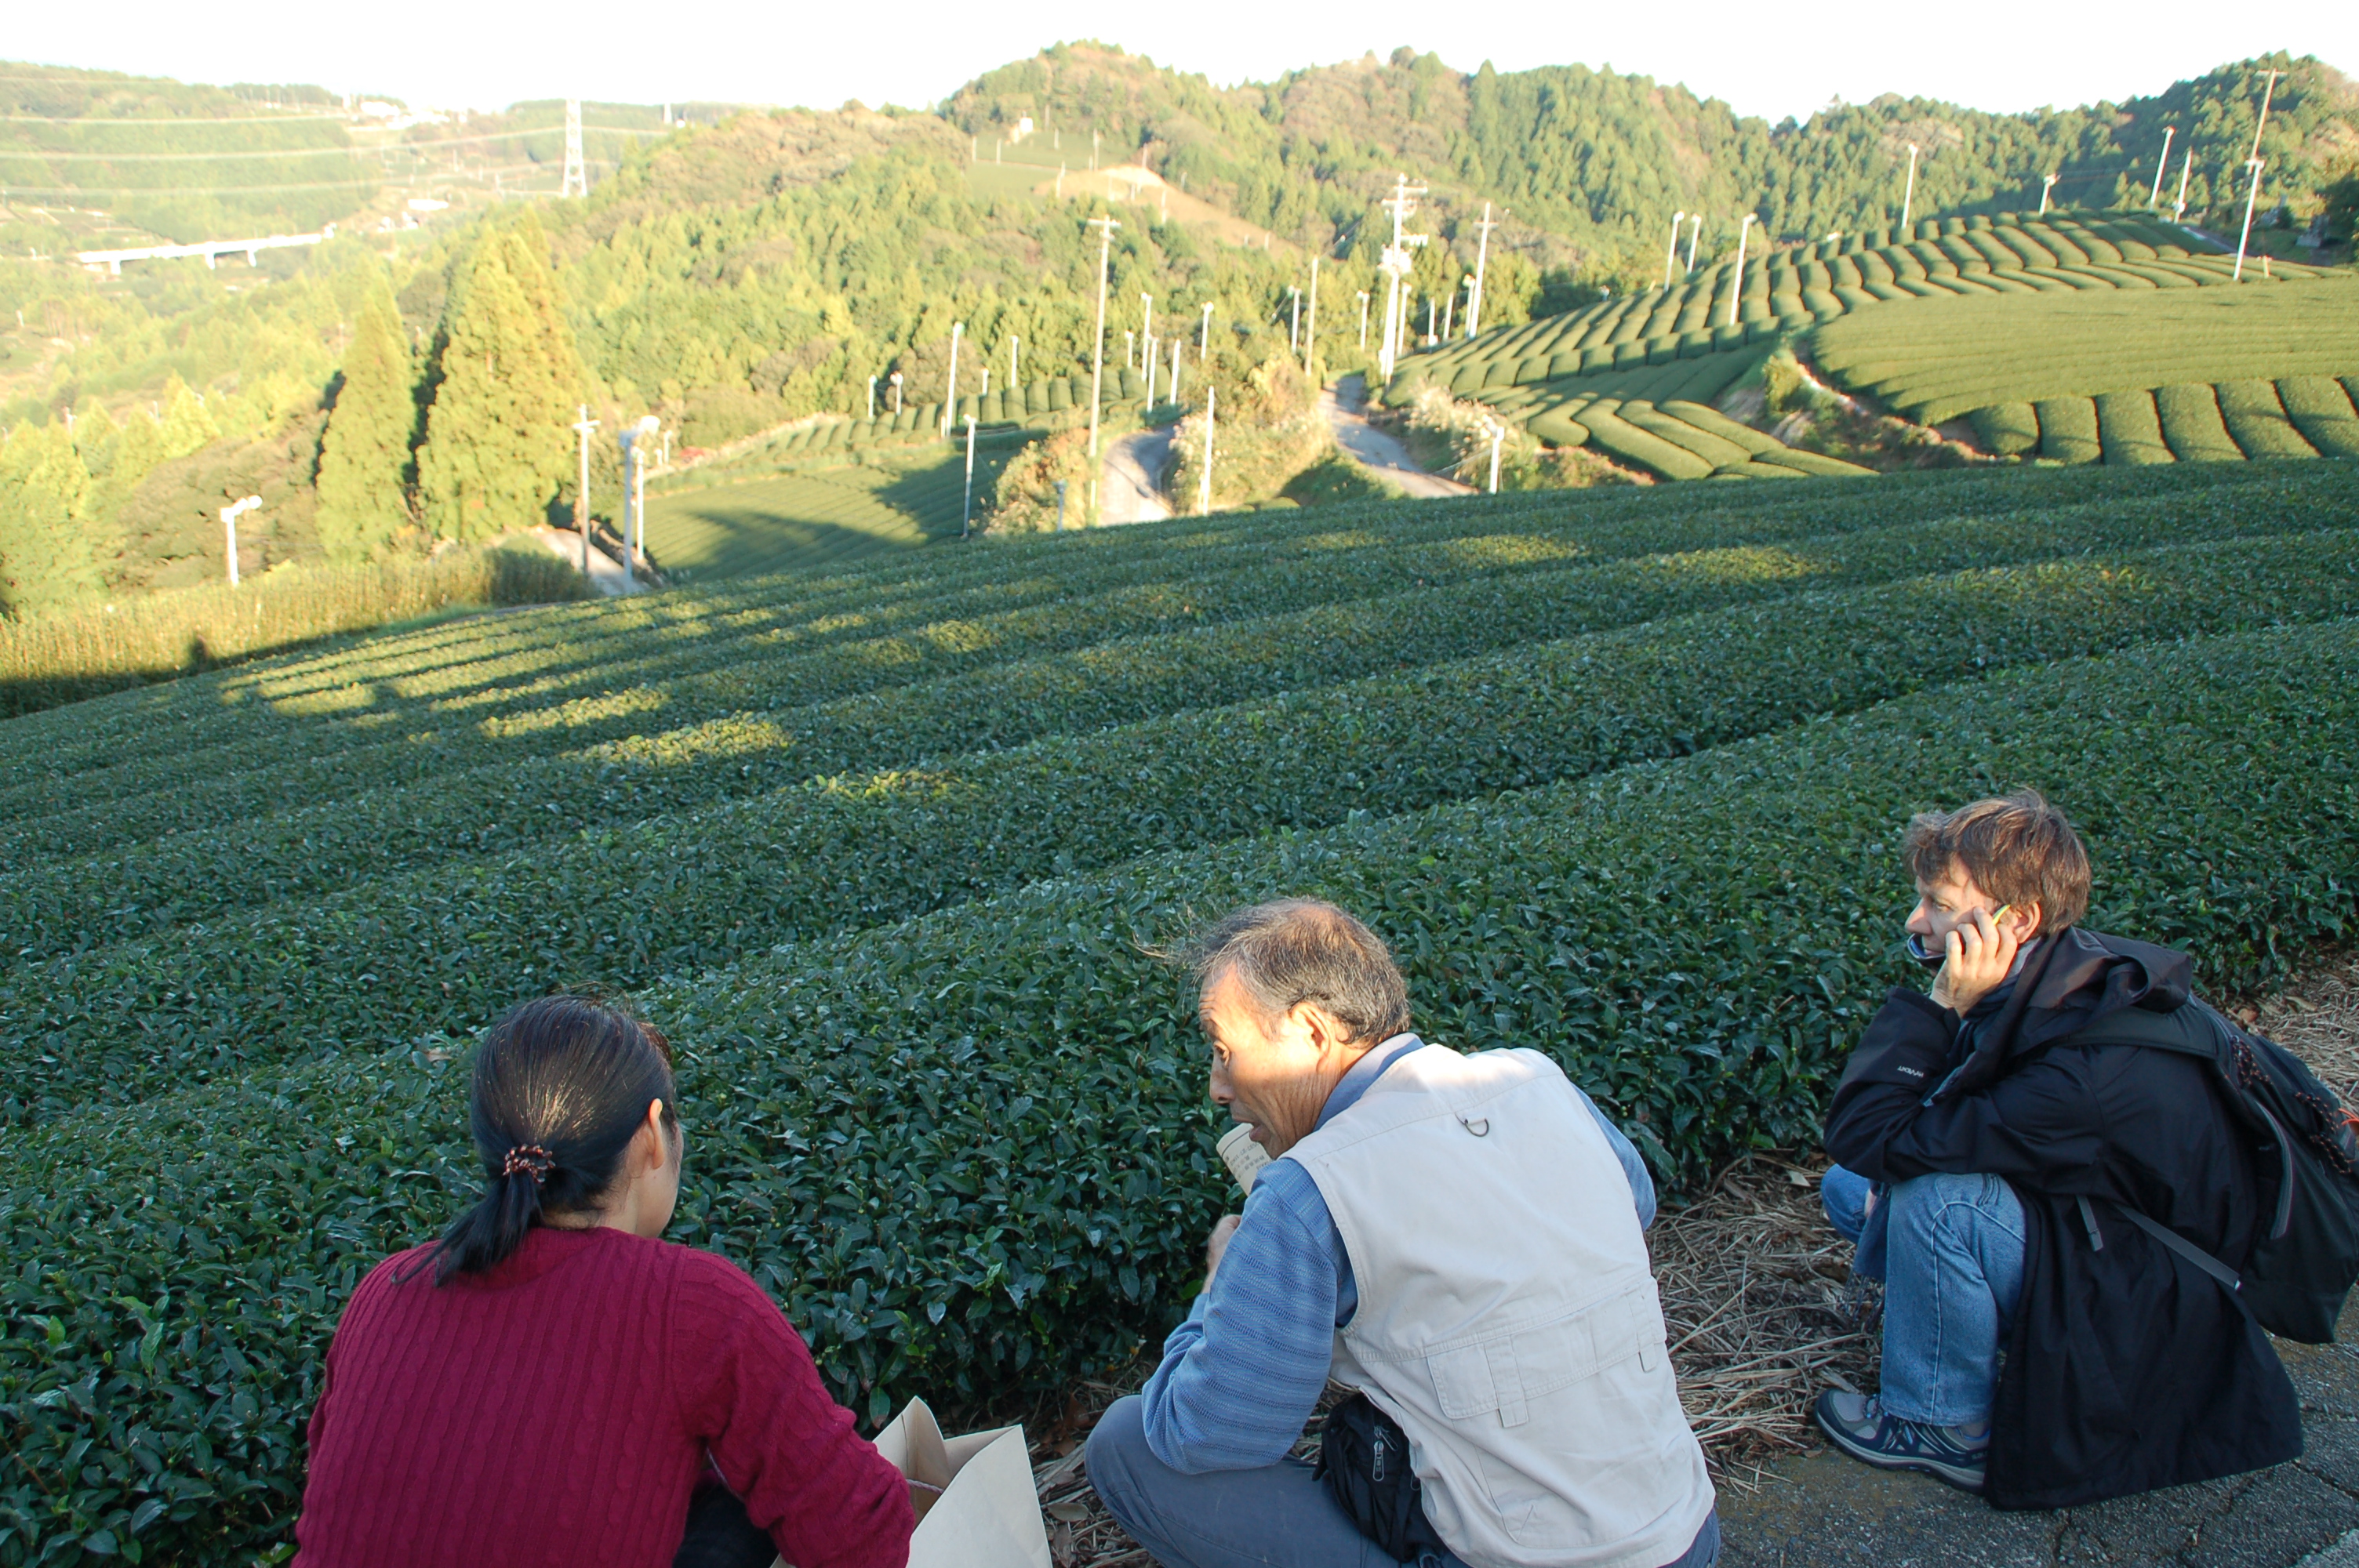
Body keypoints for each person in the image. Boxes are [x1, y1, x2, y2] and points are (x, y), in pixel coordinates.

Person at [1087, 898, 1717, 1568]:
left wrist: (1224, 1279)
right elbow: (1635, 1203)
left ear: (1308, 1032)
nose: (1218, 1086)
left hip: (1523, 1558)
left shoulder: (1309, 1193)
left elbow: (1206, 1432)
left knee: (1127, 1444)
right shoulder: (1537, 1079)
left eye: (1223, 1050)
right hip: (1685, 1532)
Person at [293, 994, 914, 1568]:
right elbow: (862, 1535)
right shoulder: (694, 1308)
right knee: (740, 1509)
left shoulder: (386, 1290)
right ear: (651, 1133)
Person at [1816, 789, 2301, 1508]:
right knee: (1850, 1186)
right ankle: (1957, 1331)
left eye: (1939, 903)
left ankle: (1939, 1426)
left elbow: (1872, 1133)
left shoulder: (2078, 1069)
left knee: (1934, 1202)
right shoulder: (2061, 973)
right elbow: (1878, 1147)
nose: (1917, 920)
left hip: (2151, 1303)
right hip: (2099, 1229)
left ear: (2018, 921)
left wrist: (1941, 1005)